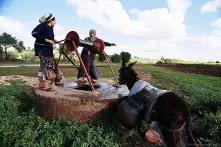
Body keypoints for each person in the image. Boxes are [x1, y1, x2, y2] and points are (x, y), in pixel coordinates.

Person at [32, 13, 62, 90]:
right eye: (54, 21)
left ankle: (43, 83)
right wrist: (46, 40)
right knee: (45, 66)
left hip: (48, 49)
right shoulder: (42, 26)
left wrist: (57, 42)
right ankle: (44, 84)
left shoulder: (51, 28)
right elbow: (34, 33)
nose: (55, 22)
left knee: (43, 66)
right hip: (41, 48)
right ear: (50, 21)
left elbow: (51, 38)